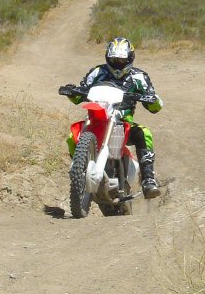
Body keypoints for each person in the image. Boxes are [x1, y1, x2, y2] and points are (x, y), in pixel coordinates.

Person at [65, 36, 163, 198]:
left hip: (123, 123)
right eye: (113, 59)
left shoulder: (139, 77)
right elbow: (80, 94)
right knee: (72, 136)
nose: (117, 63)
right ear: (107, 58)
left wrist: (152, 100)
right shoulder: (97, 72)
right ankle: (78, 172)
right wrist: (71, 91)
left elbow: (155, 106)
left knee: (144, 133)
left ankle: (148, 179)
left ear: (130, 59)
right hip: (97, 119)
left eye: (121, 60)